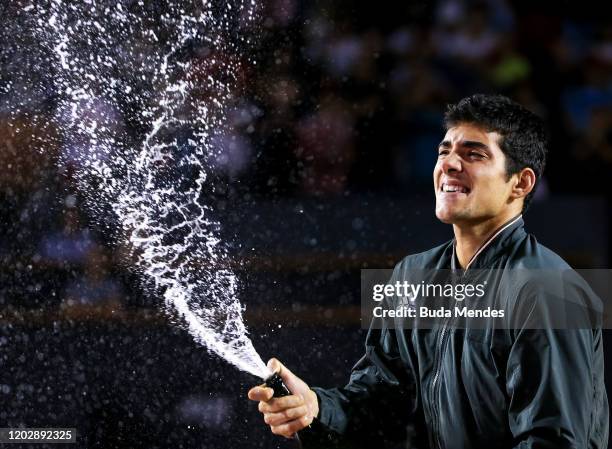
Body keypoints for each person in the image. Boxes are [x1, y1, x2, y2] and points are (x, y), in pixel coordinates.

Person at [248, 94, 609, 448]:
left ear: (521, 182)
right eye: (444, 151)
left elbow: (555, 438)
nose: (449, 165)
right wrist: (316, 408)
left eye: (474, 154)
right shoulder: (412, 275)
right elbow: (380, 407)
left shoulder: (550, 291)